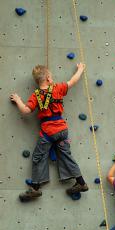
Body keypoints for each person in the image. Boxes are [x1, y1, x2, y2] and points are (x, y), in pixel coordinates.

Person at [10, 63, 88, 201]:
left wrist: (18, 100)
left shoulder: (36, 95)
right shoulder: (57, 88)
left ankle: (35, 188)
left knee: (38, 157)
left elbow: (26, 110)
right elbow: (72, 81)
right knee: (66, 156)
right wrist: (80, 69)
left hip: (48, 132)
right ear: (48, 78)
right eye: (51, 76)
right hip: (62, 129)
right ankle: (81, 182)